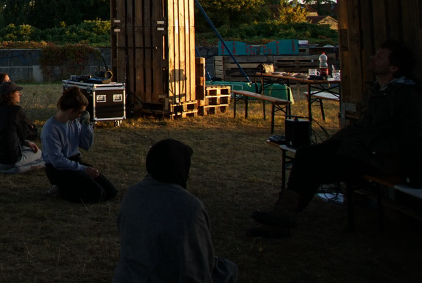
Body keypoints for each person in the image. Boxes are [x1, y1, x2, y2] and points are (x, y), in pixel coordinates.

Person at [251, 40, 422, 235]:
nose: (372, 58)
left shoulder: (407, 96)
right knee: (306, 153)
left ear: (394, 67)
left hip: (377, 158)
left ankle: (281, 220)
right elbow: (362, 126)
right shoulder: (375, 91)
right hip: (355, 148)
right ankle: (282, 215)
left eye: (379, 56)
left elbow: (414, 139)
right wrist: (336, 141)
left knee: (315, 168)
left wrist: (372, 146)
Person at [114, 139, 238, 283]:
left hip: (131, 276)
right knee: (229, 269)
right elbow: (197, 270)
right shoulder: (190, 207)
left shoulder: (132, 194)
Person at [41, 86, 118, 203]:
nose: (80, 116)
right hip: (59, 170)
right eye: (80, 112)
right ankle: (60, 190)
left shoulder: (73, 122)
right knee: (97, 195)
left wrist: (87, 126)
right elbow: (57, 161)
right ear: (72, 111)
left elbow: (86, 145)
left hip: (75, 162)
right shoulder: (51, 129)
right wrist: (83, 169)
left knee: (111, 192)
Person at [0, 82, 44, 174]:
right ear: (10, 95)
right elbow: (22, 136)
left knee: (28, 149)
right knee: (39, 153)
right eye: (17, 92)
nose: (20, 94)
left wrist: (27, 143)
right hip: (9, 160)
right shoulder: (16, 110)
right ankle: (15, 169)